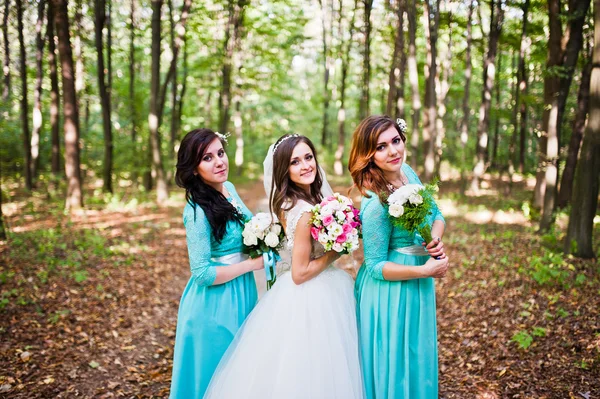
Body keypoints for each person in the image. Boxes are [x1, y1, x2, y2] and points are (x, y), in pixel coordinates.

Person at [204, 134, 364, 399]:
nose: (305, 166)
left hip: (321, 288)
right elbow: (300, 274)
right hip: (312, 294)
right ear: (284, 170)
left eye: (308, 157)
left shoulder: (305, 201)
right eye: (295, 162)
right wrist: (335, 252)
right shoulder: (302, 212)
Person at [348, 115, 450, 399]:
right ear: (369, 155)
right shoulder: (374, 202)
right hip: (391, 289)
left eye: (395, 141)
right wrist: (425, 271)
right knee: (395, 358)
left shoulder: (408, 172)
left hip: (419, 271)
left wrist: (435, 238)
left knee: (416, 349)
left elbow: (437, 213)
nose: (393, 151)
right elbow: (375, 265)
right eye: (381, 147)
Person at [169, 128, 264, 399]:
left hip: (242, 291)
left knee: (240, 372)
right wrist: (251, 265)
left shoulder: (229, 189)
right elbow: (201, 273)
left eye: (220, 153)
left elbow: (248, 227)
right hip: (213, 304)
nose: (219, 162)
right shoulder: (196, 212)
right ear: (195, 169)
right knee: (216, 376)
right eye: (207, 158)